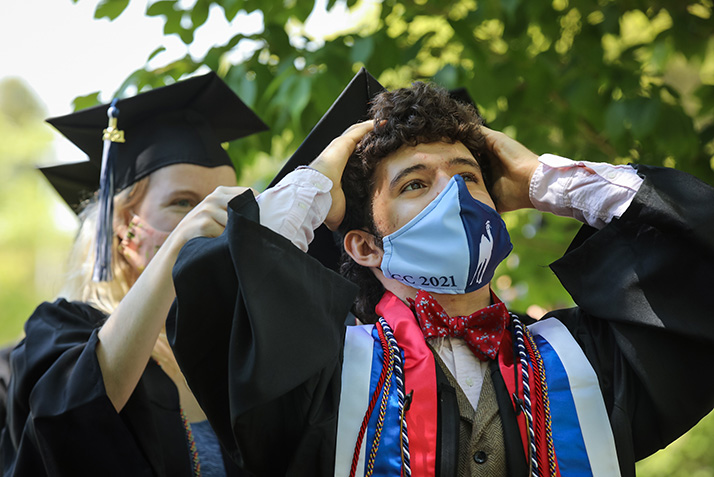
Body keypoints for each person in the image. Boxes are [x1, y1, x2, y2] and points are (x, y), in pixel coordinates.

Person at [167, 69, 714, 476]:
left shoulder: (586, 358)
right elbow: (222, 300)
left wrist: (551, 180)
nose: (454, 196)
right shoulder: (323, 376)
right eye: (414, 184)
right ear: (364, 246)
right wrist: (317, 183)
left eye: (468, 176)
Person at [0, 71, 268, 476]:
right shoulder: (60, 337)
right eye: (183, 202)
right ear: (124, 226)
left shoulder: (235, 353)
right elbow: (69, 430)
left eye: (222, 202)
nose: (213, 219)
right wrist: (181, 243)